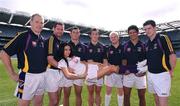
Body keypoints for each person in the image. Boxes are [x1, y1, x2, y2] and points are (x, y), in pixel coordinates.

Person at [0, 14, 47, 106]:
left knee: (39, 103)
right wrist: (12, 74)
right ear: (31, 22)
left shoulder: (43, 40)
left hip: (42, 76)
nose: (39, 24)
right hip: (27, 77)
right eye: (37, 22)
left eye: (41, 22)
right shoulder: (23, 36)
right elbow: (3, 53)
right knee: (24, 104)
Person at [143, 20, 176, 106]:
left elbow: (172, 55)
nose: (147, 31)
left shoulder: (163, 38)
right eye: (145, 29)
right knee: (156, 99)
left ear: (155, 28)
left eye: (149, 28)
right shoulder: (147, 43)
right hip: (150, 75)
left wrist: (171, 70)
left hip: (162, 75)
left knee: (163, 103)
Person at [122, 25, 146, 106]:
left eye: (134, 32)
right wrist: (124, 70)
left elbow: (146, 60)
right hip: (128, 74)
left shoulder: (143, 45)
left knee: (142, 96)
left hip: (140, 73)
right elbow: (124, 59)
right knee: (126, 95)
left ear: (137, 33)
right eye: (130, 33)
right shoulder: (125, 45)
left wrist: (144, 72)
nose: (132, 34)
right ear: (128, 34)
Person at [86, 28, 108, 106]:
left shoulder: (103, 47)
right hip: (90, 72)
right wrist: (98, 64)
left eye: (96, 34)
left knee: (98, 92)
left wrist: (104, 68)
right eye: (93, 34)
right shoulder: (86, 47)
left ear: (98, 35)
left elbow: (105, 60)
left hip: (100, 71)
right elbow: (88, 61)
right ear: (90, 35)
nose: (95, 36)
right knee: (90, 92)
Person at [45, 22, 65, 106]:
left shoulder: (59, 42)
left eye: (62, 29)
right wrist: (64, 68)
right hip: (51, 72)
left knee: (57, 99)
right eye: (58, 29)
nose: (60, 31)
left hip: (58, 71)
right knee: (53, 101)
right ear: (54, 29)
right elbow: (50, 59)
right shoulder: (51, 40)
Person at [68, 26, 87, 106]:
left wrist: (85, 73)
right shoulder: (65, 45)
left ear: (79, 34)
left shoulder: (84, 47)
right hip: (67, 72)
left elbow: (85, 62)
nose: (75, 34)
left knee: (78, 94)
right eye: (74, 32)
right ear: (70, 34)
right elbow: (61, 59)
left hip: (79, 74)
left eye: (77, 33)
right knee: (66, 95)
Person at [105, 31, 124, 106]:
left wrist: (120, 68)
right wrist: (111, 68)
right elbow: (105, 60)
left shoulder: (123, 47)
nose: (113, 38)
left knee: (120, 91)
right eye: (111, 37)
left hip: (120, 72)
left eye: (114, 37)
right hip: (110, 72)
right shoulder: (108, 48)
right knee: (108, 90)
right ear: (110, 39)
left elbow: (125, 60)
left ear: (118, 37)